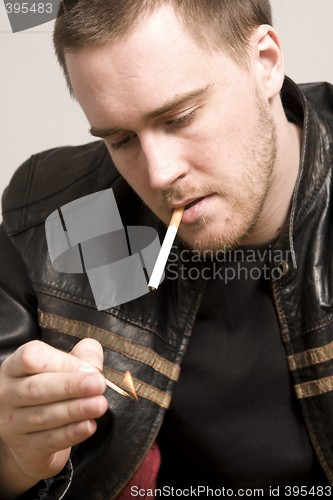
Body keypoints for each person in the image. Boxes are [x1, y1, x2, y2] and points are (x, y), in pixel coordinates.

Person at [1, 0, 333, 498]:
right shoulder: (42, 213)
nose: (158, 175)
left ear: (264, 62)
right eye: (119, 139)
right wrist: (16, 460)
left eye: (178, 118)